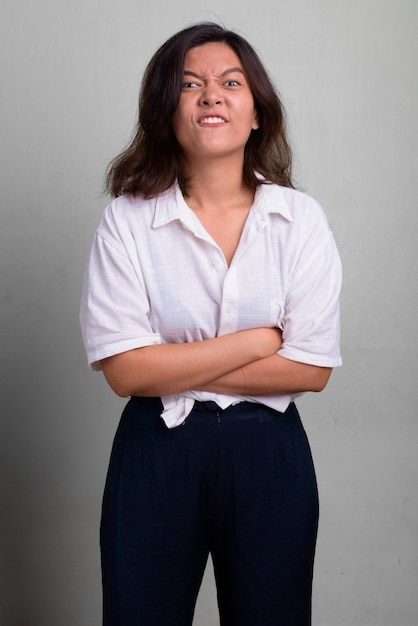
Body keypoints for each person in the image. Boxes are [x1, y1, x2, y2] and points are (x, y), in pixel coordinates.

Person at [80, 22, 342, 626]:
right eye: (190, 84)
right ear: (165, 113)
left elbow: (311, 368)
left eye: (230, 82)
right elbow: (125, 372)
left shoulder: (300, 220)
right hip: (156, 450)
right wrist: (256, 341)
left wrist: (171, 363)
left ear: (257, 114)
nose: (211, 95)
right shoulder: (127, 221)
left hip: (268, 453)